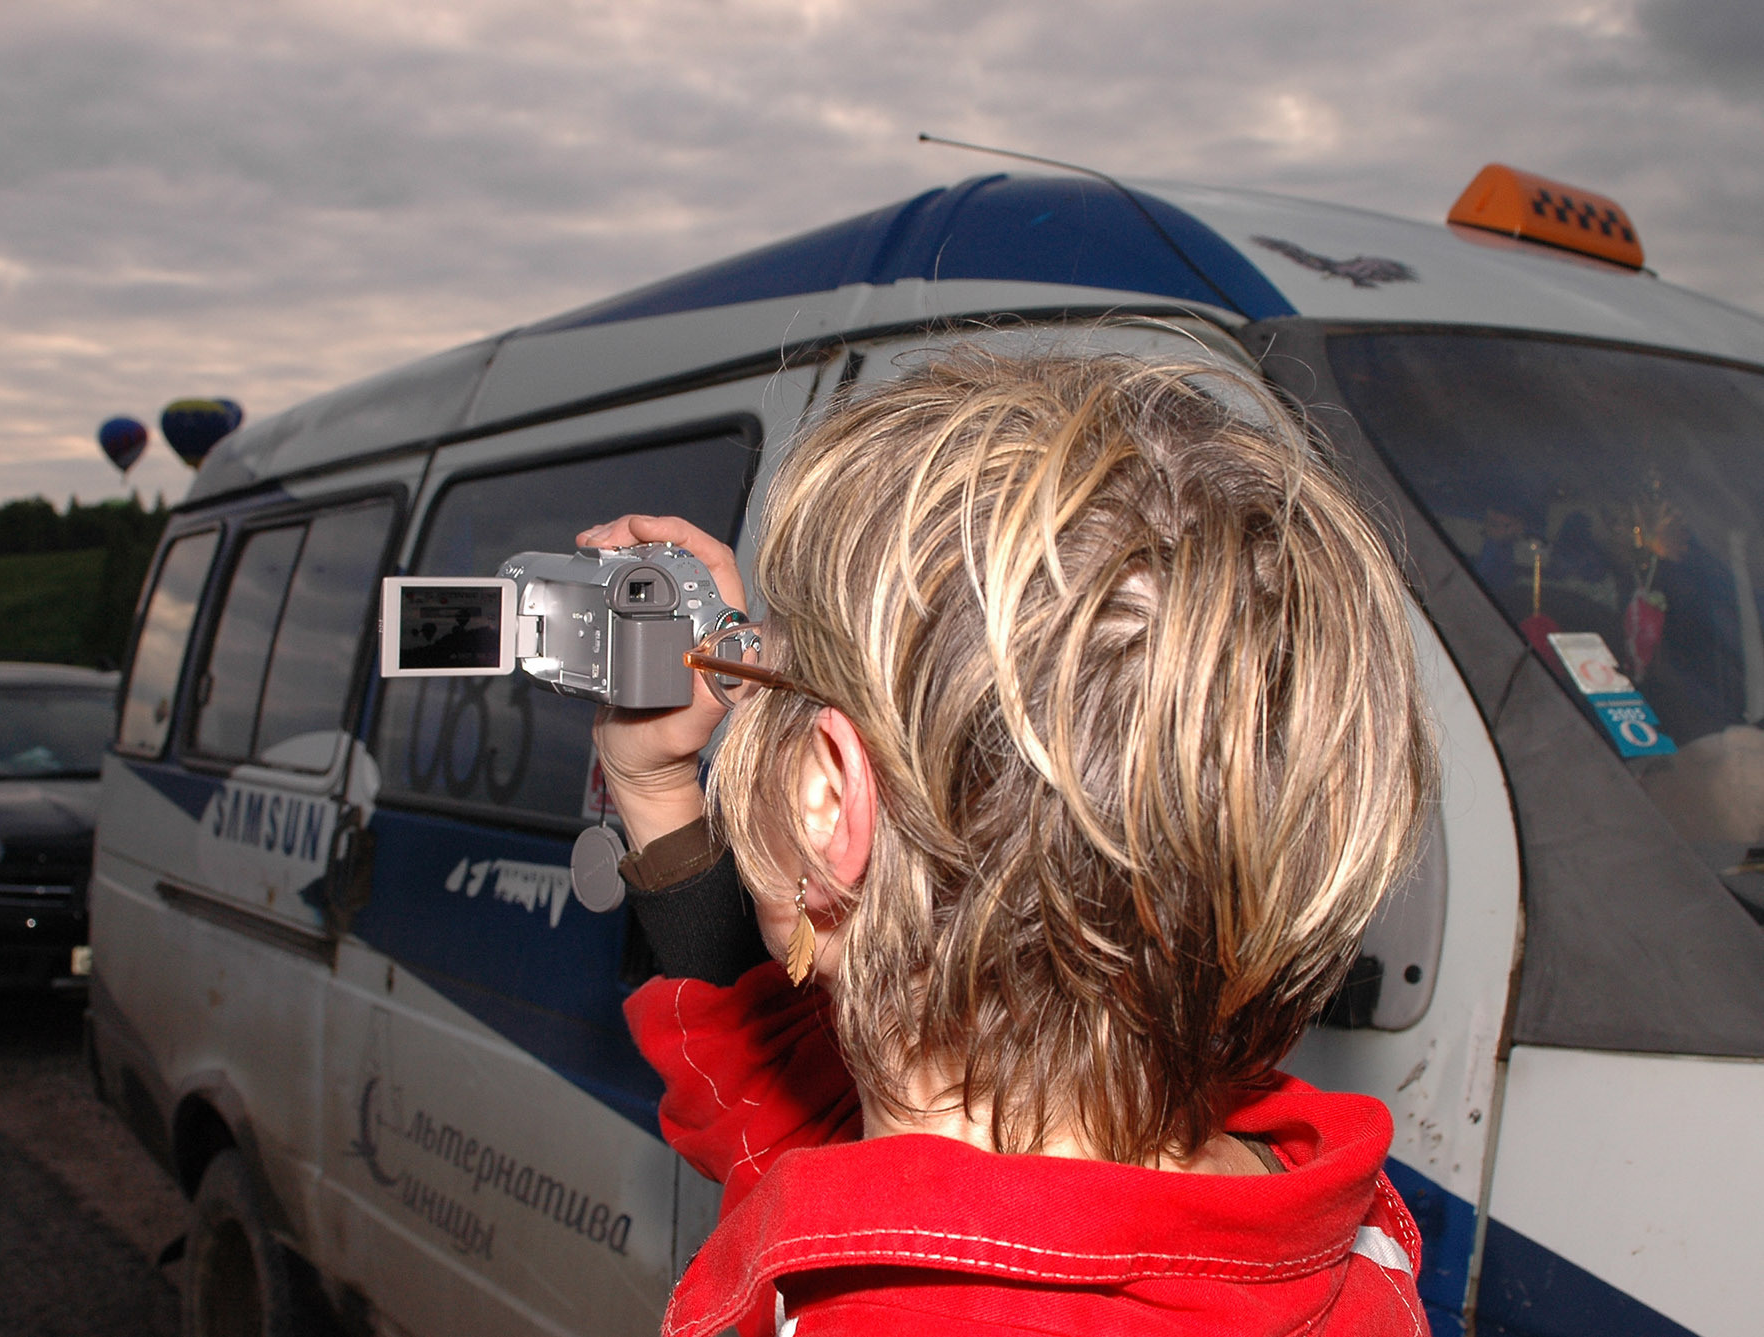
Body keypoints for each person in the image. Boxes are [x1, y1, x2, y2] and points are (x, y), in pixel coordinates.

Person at [582, 346, 1437, 1336]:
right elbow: (781, 1113)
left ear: (825, 797)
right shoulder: (1327, 1239)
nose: (747, 673)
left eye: (772, 661)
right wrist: (653, 787)